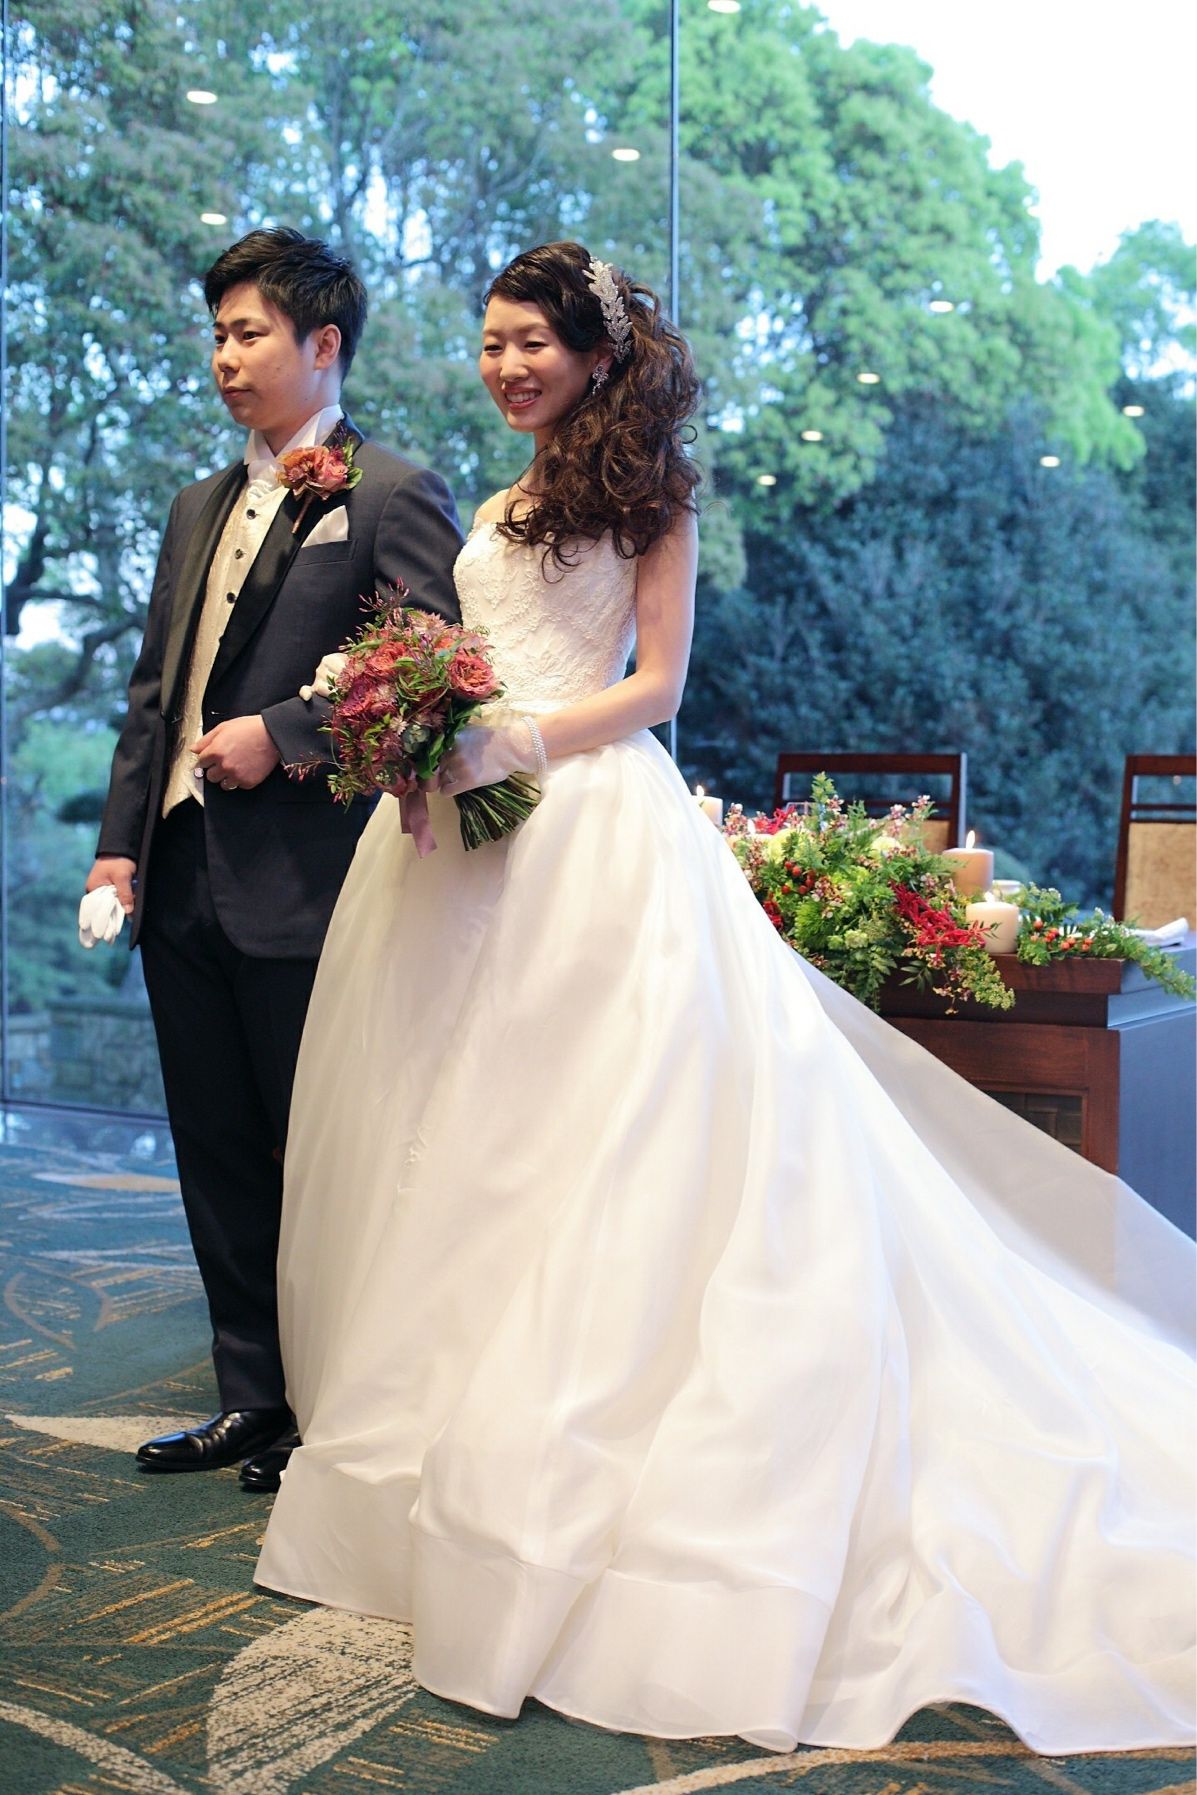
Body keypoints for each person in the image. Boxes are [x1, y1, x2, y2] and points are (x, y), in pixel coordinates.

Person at [255, 241, 1195, 1754]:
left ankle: (577, 1449)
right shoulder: (490, 508)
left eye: (532, 343)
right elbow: (465, 655)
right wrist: (419, 734)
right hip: (451, 845)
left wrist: (510, 743)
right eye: (490, 342)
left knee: (593, 1136)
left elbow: (657, 689)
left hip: (588, 830)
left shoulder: (652, 497)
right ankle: (438, 1431)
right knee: (453, 1125)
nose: (505, 367)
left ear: (597, 354)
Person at [84, 227, 463, 1491]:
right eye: (218, 335)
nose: (225, 357)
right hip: (180, 872)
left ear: (324, 343)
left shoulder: (393, 492)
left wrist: (286, 732)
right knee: (215, 1146)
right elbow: (155, 695)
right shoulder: (196, 504)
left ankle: (335, 1403)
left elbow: (428, 672)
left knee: (325, 1156)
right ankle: (252, 1396)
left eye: (248, 333)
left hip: (309, 886)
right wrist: (117, 851)